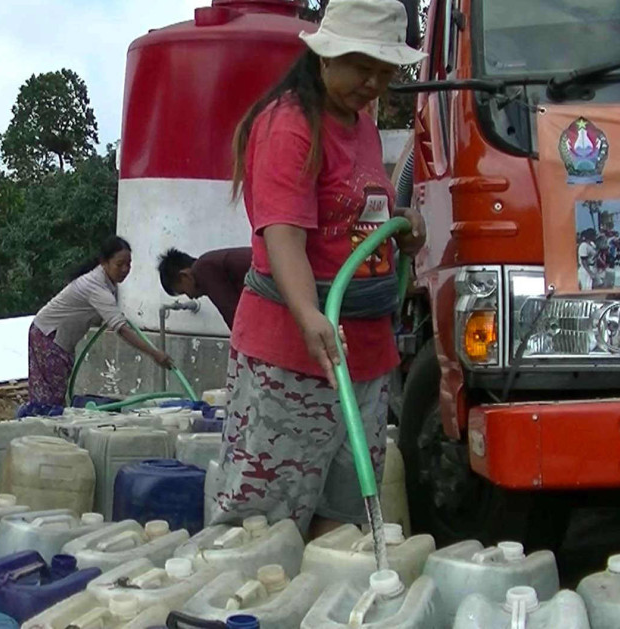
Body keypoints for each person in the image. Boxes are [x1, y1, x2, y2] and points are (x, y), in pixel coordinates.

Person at [210, 0, 427, 539]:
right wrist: (309, 313)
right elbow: (283, 233)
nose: (373, 82)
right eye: (362, 66)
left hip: (366, 355)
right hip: (294, 358)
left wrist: (399, 222)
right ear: (327, 56)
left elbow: (354, 214)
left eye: (384, 71)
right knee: (262, 528)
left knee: (345, 525)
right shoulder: (288, 125)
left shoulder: (365, 128)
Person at [29, 236, 174, 406]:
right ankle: (34, 421)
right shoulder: (96, 286)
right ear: (104, 262)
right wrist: (155, 353)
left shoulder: (106, 285)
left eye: (129, 264)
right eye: (120, 264)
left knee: (55, 393)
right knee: (50, 397)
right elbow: (121, 329)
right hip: (47, 335)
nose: (125, 269)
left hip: (57, 337)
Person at [157, 247, 252, 329]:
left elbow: (233, 316)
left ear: (184, 276)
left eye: (184, 291)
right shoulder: (209, 264)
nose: (190, 297)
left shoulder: (203, 270)